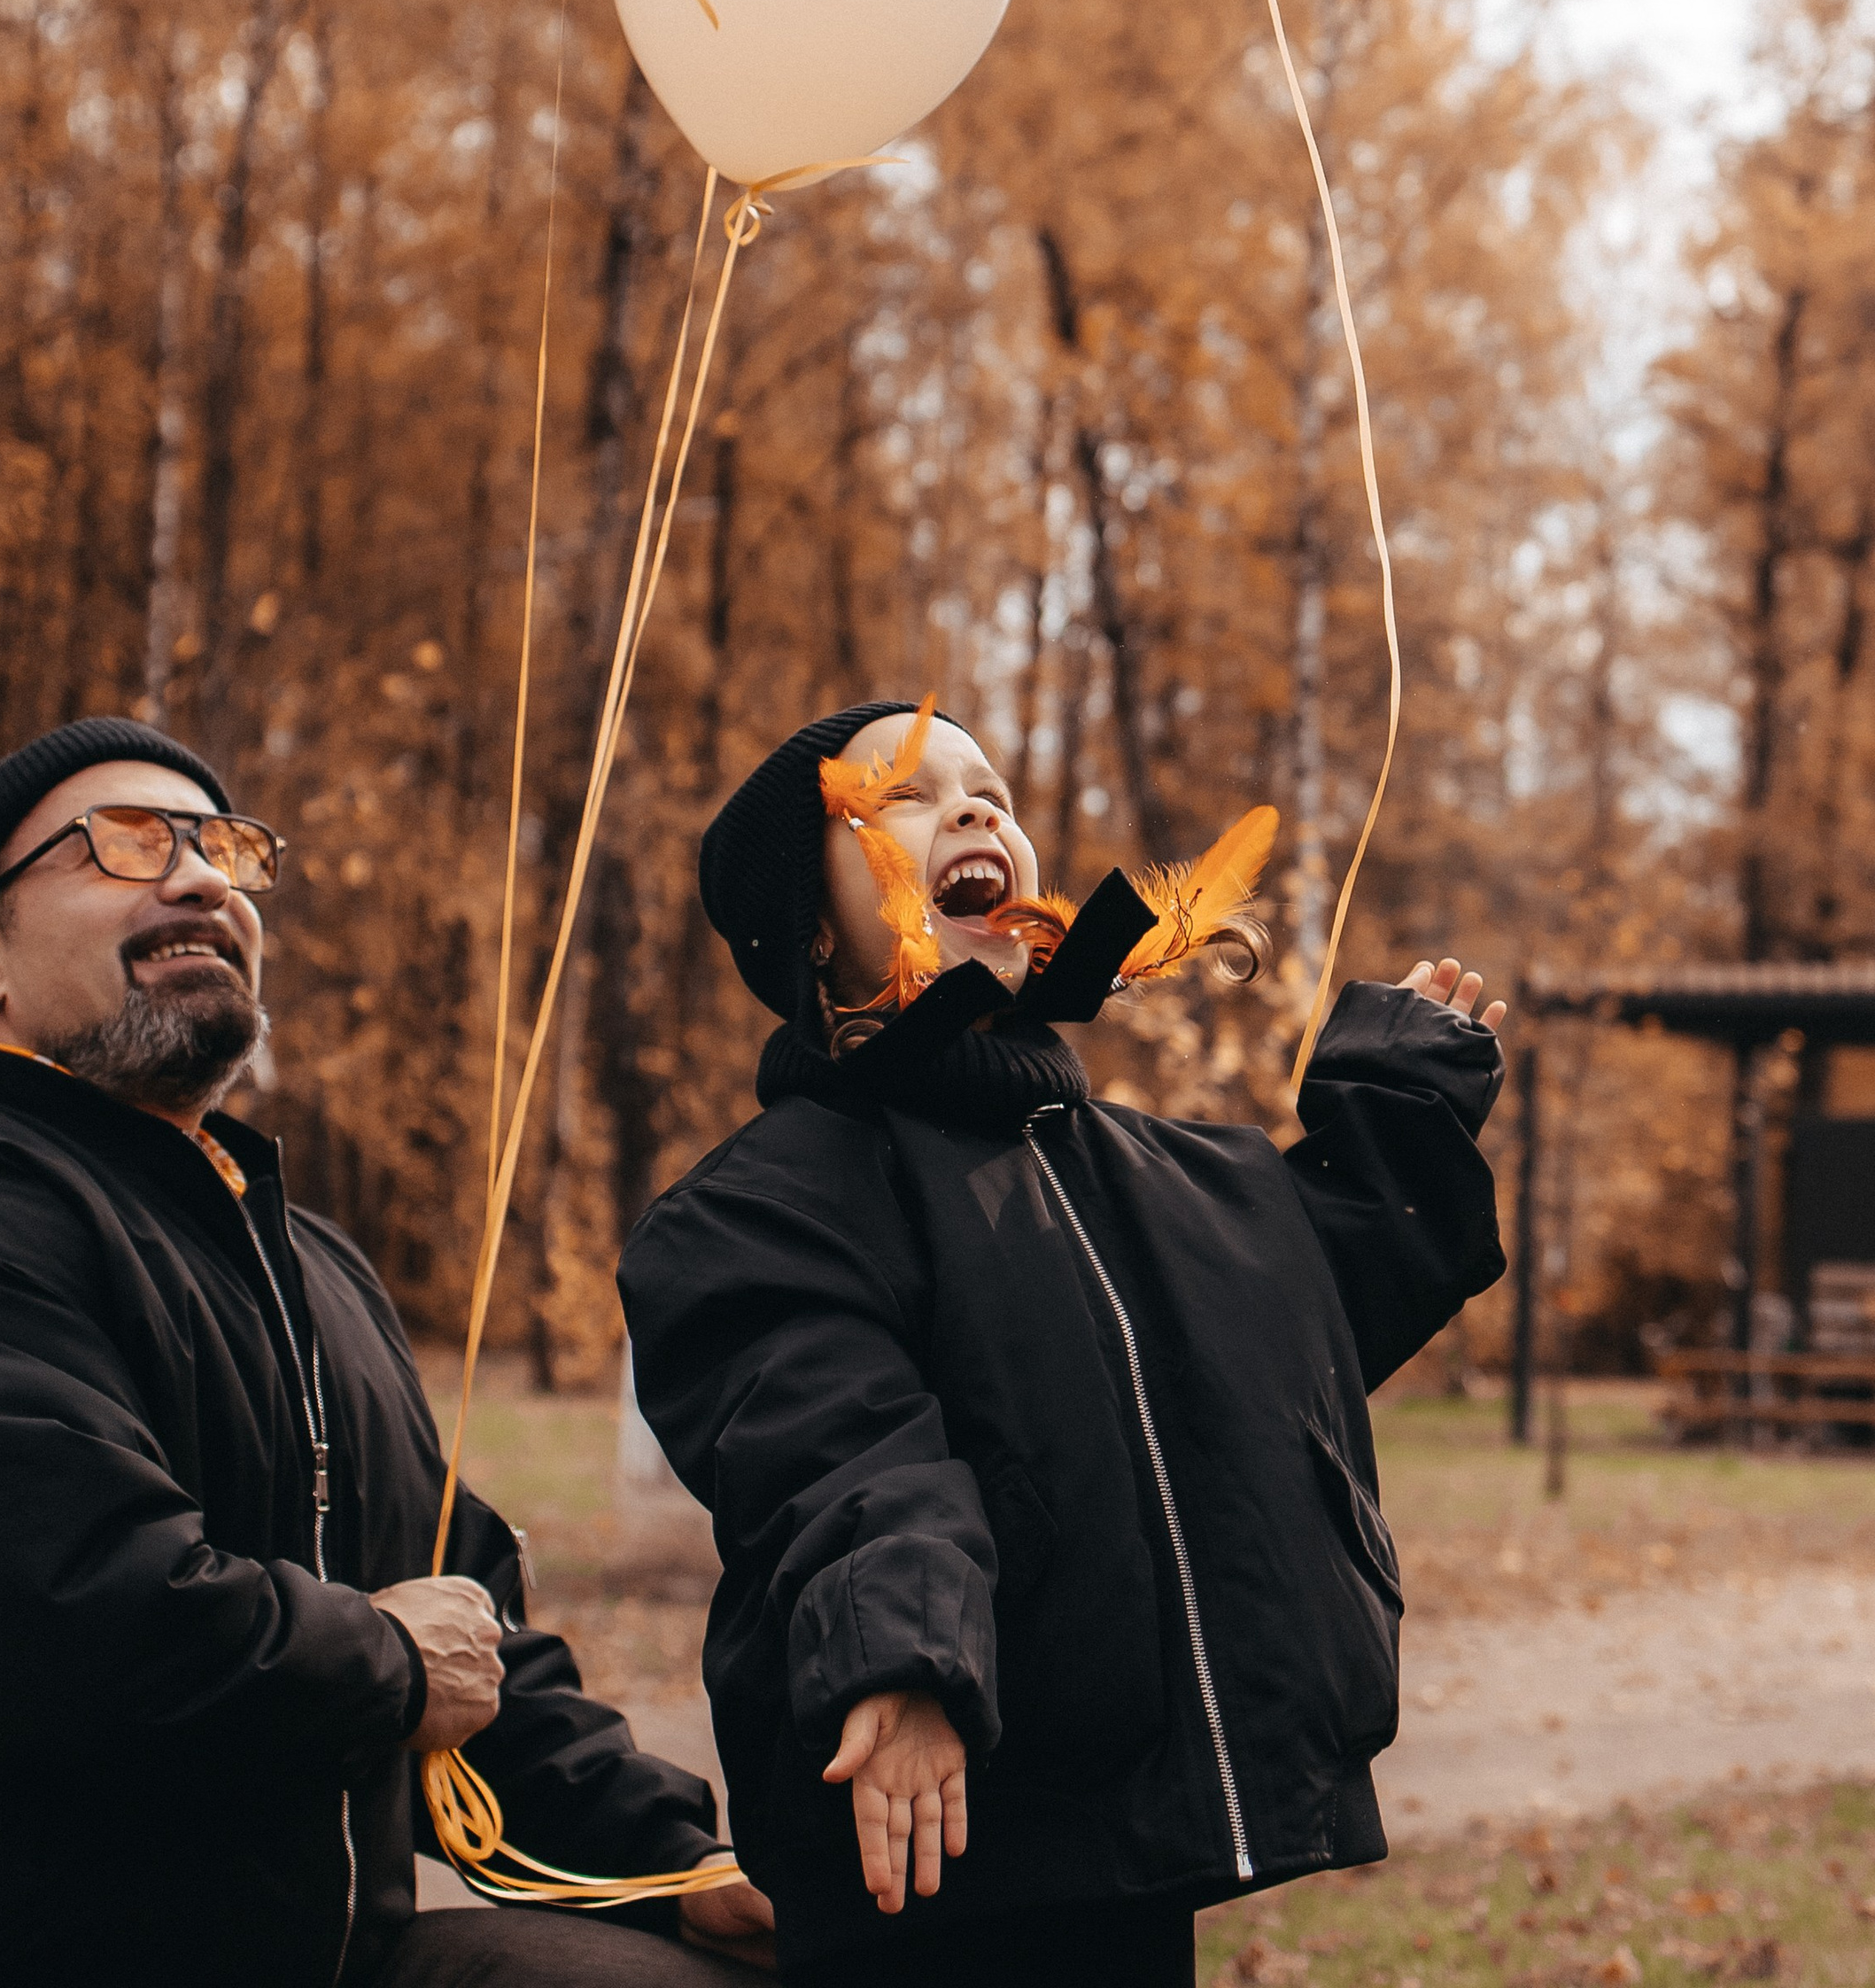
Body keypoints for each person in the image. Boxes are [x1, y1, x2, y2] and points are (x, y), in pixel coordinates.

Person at [0, 714, 774, 1987]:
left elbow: (466, 1633)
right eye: (127, 844)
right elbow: (99, 1645)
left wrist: (676, 1869)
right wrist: (392, 1662)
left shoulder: (309, 1263)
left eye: (226, 851)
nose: (200, 878)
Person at [618, 697, 1508, 1988]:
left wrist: (1403, 1111)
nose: (978, 808)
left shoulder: (1168, 1173)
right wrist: (904, 1655)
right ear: (810, 926)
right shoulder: (758, 1209)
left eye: (993, 790)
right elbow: (839, 1449)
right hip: (921, 1857)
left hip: (1126, 1840)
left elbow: (1292, 1337)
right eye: (910, 796)